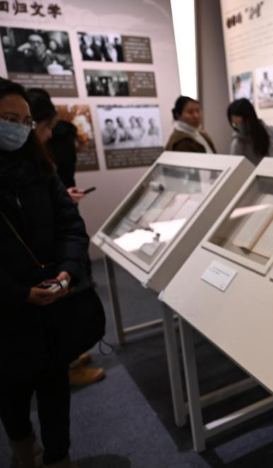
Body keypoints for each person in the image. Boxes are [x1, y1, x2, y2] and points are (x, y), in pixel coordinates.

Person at [0, 78, 89, 468]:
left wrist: (67, 272)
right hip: (6, 313)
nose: (20, 129)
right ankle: (24, 452)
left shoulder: (41, 168)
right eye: (9, 119)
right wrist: (19, 293)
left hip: (51, 303)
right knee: (11, 392)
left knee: (55, 388)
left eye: (25, 121)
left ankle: (58, 457)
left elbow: (70, 226)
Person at [27, 88, 106, 388]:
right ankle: (67, 365)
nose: (49, 134)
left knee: (71, 303)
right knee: (60, 312)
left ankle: (70, 357)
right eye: (46, 127)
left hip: (58, 250)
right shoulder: (28, 161)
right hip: (44, 256)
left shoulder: (38, 159)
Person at [228, 98, 273, 165]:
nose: (239, 128)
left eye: (241, 123)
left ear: (250, 118)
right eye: (236, 124)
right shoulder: (237, 144)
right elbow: (236, 168)